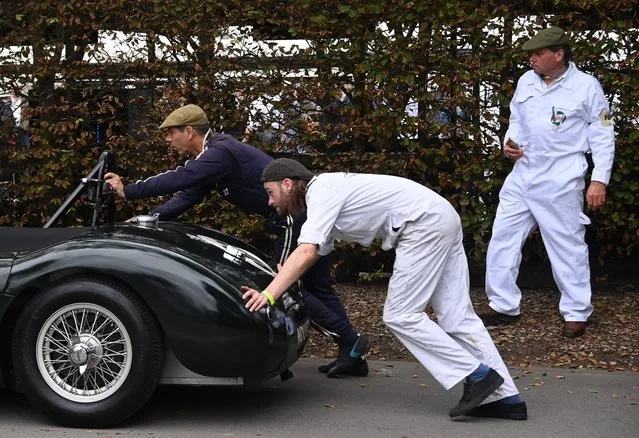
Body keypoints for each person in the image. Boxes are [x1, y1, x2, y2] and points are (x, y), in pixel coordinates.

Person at [242, 158, 527, 420]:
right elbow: (312, 252)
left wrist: (268, 294)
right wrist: (282, 277)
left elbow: (305, 251)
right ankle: (506, 399)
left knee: (401, 315)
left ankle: (477, 375)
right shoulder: (326, 192)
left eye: (270, 192)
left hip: (422, 225)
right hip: (439, 215)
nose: (270, 201)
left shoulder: (321, 191)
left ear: (287, 184)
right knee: (458, 317)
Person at [104, 104, 369, 377]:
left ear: (189, 131)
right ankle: (353, 355)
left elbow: (180, 178)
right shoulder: (214, 157)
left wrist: (129, 191)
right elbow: (187, 194)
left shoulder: (219, 153)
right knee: (319, 287)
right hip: (305, 216)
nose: (168, 140)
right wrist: (149, 219)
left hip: (294, 218)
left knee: (284, 284)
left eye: (170, 133)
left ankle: (348, 341)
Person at [476, 27, 615, 339]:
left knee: (566, 245)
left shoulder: (586, 87)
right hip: (523, 173)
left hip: (561, 177)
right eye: (531, 54)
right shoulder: (527, 81)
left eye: (538, 53)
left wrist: (599, 180)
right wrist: (509, 143)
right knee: (503, 237)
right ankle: (503, 305)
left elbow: (603, 132)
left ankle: (577, 312)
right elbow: (516, 119)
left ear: (559, 54)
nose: (532, 59)